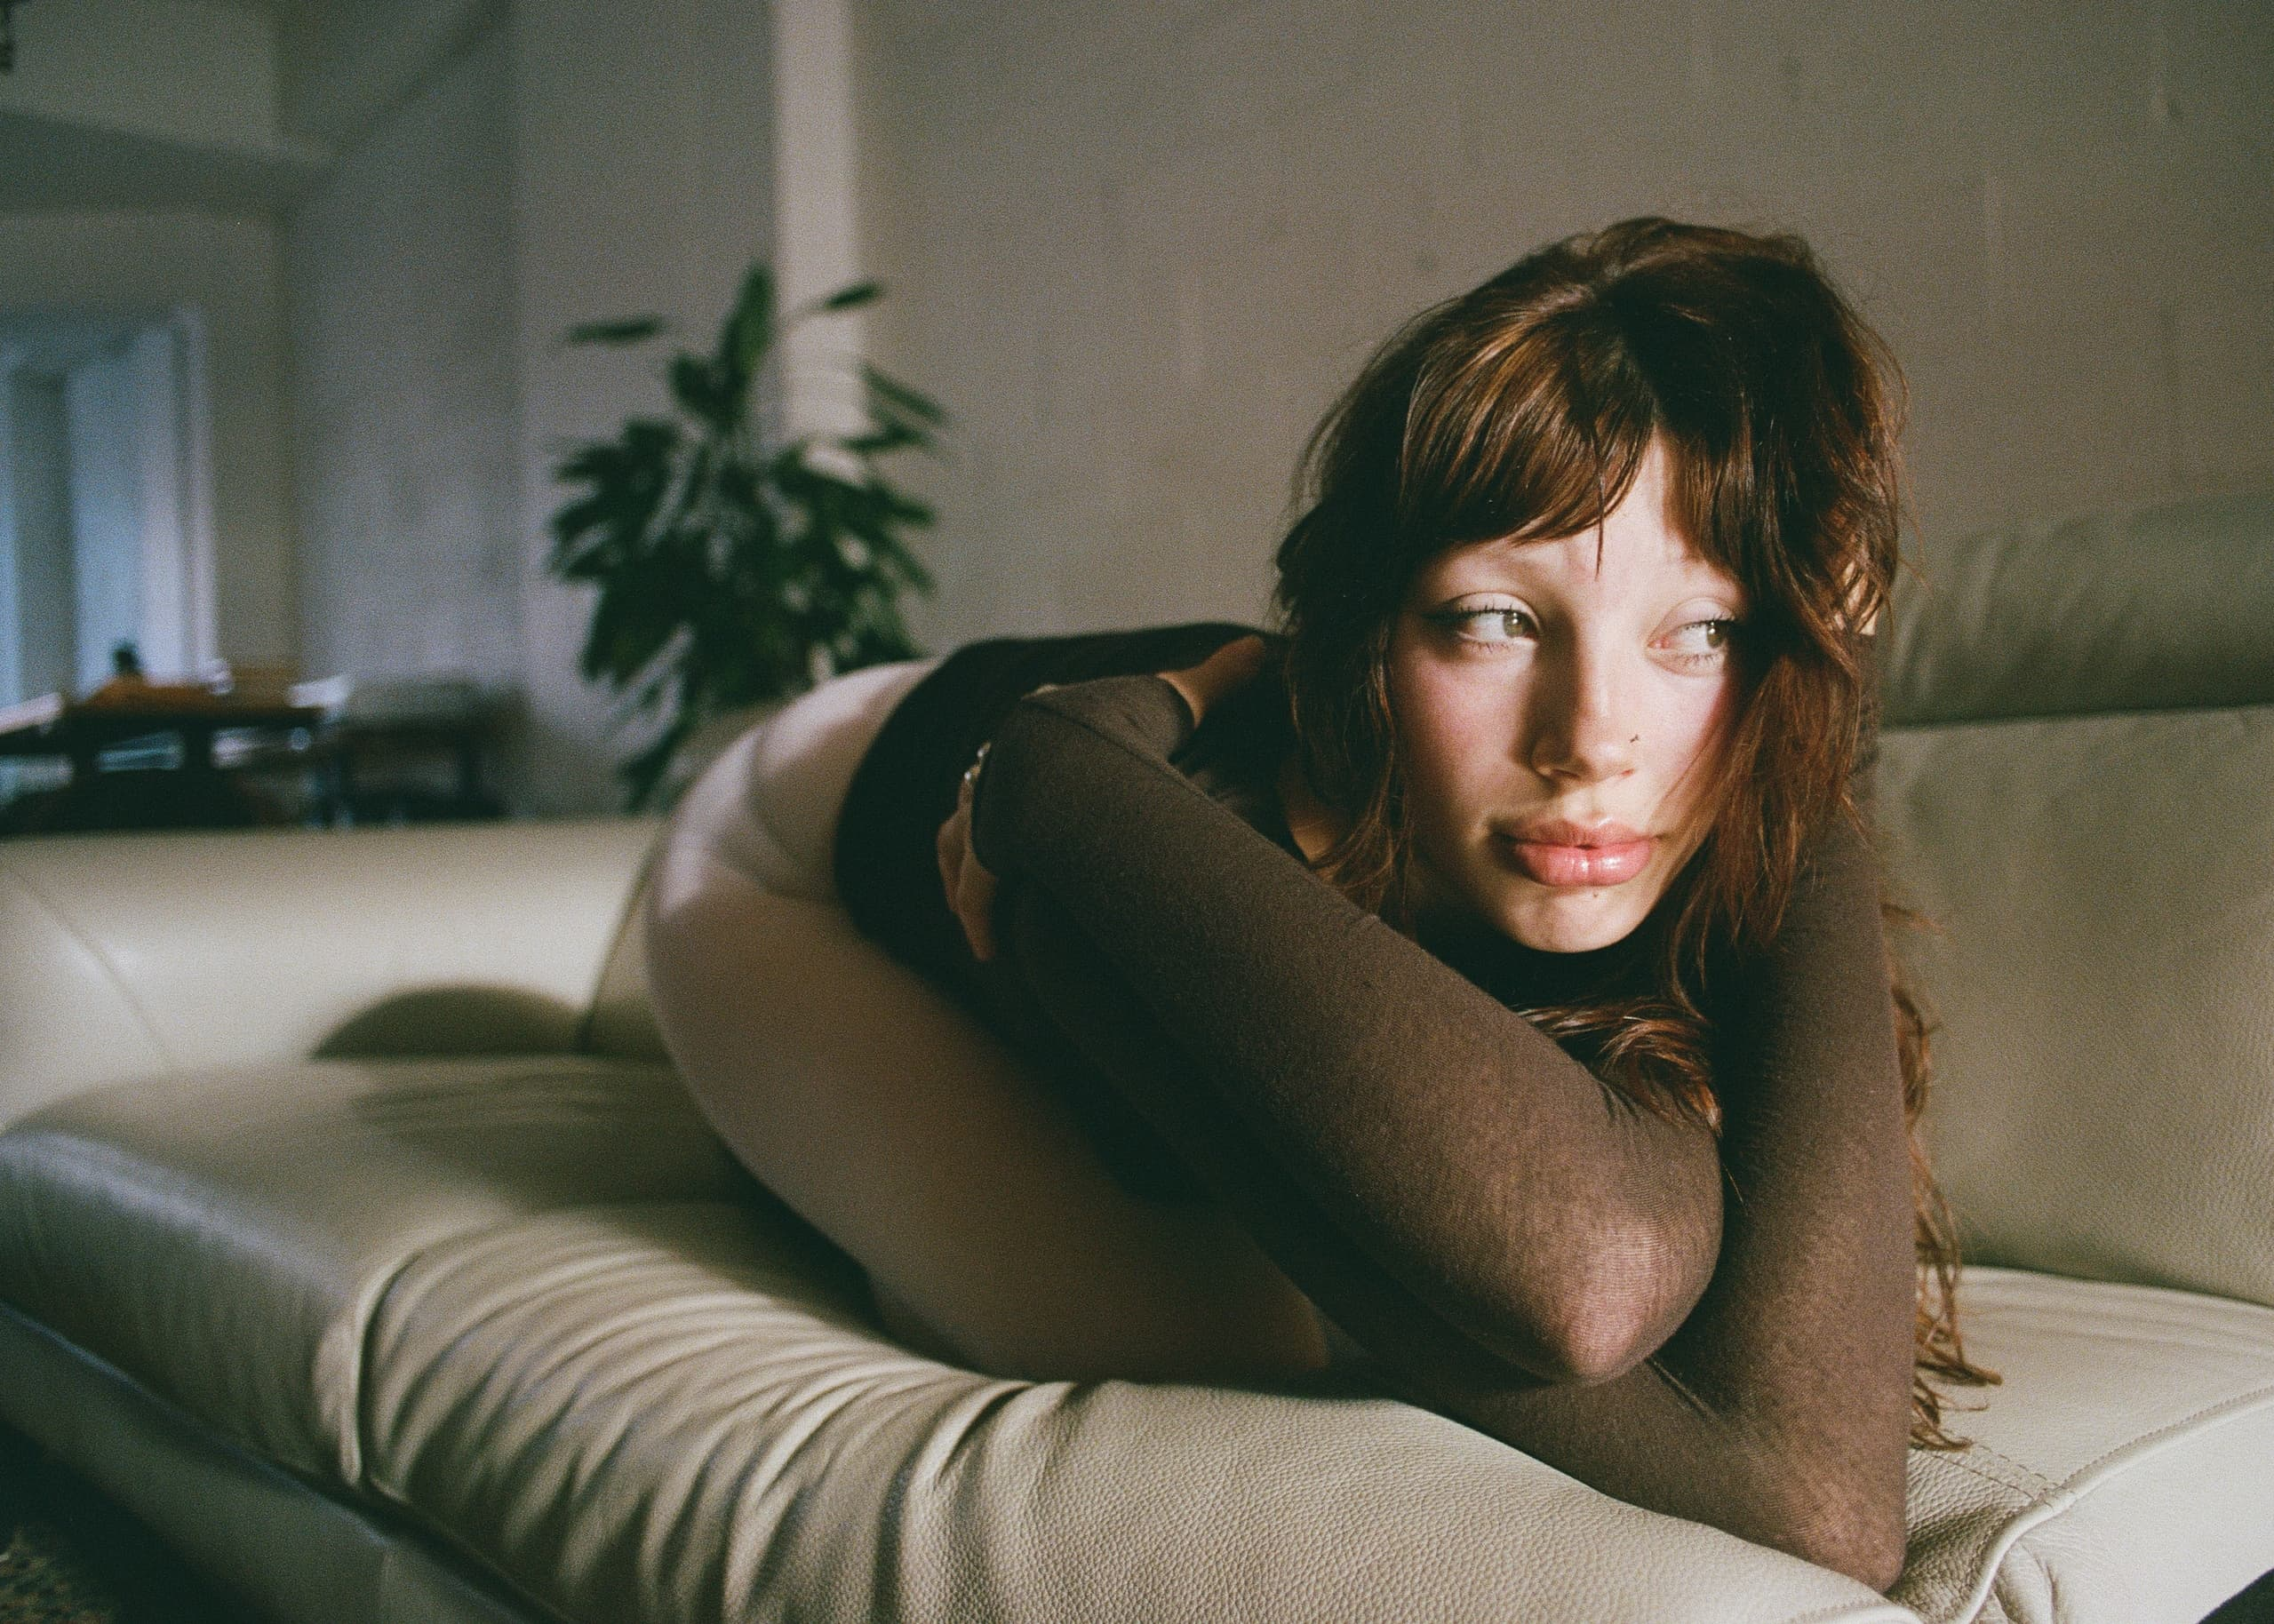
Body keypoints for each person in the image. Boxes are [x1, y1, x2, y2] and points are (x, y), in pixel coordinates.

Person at [645, 217, 1993, 1594]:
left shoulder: (1710, 756)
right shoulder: (1212, 828)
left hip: (1063, 767)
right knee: (1139, 1314)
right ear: (1372, 634)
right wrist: (1052, 772)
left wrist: (1817, 711)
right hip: (776, 857)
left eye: (1702, 629)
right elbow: (1606, 1287)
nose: (1593, 741)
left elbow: (1812, 1491)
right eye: (1494, 618)